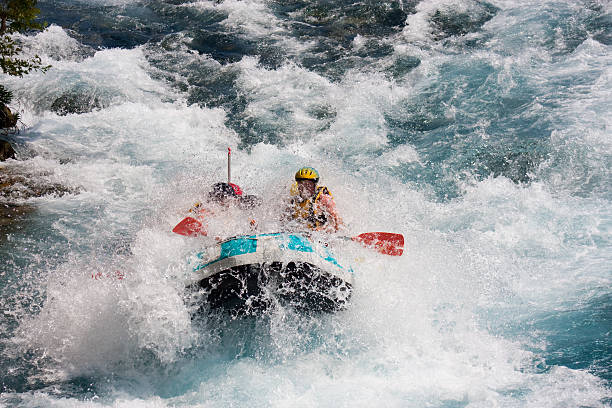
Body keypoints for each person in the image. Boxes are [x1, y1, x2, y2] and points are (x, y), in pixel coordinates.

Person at [189, 182, 261, 236]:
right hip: (200, 217)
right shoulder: (208, 206)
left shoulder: (239, 207)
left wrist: (254, 227)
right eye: (221, 198)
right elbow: (202, 215)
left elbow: (251, 222)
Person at [283, 167, 342, 233]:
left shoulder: (323, 199)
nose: (305, 188)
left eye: (308, 185)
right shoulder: (294, 200)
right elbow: (285, 220)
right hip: (303, 235)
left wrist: (321, 230)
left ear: (314, 185)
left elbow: (337, 222)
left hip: (321, 236)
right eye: (301, 184)